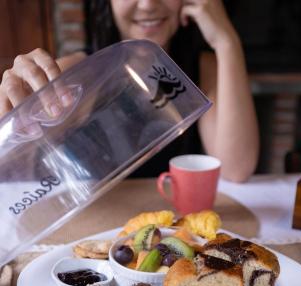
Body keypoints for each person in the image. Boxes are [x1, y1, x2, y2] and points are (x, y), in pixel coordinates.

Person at [0, 0, 259, 182]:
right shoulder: (78, 72)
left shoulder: (205, 70)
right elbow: (15, 160)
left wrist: (227, 42)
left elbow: (237, 169)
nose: (147, 4)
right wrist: (9, 108)